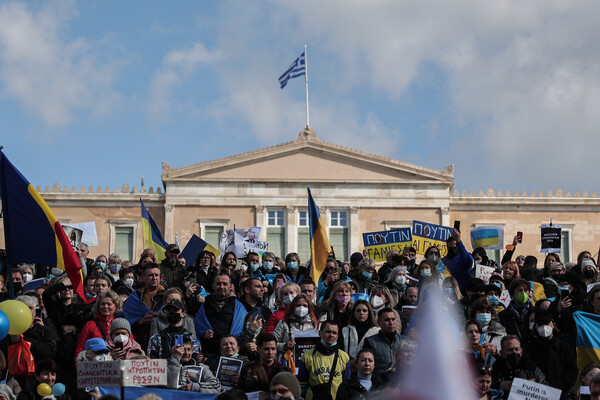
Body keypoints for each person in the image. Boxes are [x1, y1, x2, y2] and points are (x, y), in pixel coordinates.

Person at [524, 309, 577, 394]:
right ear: (535, 327)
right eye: (540, 324)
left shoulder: (565, 348)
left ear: (553, 325)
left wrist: (559, 388)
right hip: (537, 393)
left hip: (559, 393)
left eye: (547, 323)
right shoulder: (529, 349)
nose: (544, 327)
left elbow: (572, 371)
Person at [194, 273, 247, 356]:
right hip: (210, 352)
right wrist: (203, 333)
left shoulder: (238, 306)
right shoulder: (205, 304)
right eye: (218, 284)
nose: (222, 287)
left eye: (225, 284)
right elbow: (197, 326)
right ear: (213, 286)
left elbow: (244, 328)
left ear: (230, 286)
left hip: (232, 353)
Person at [298, 320, 351, 400]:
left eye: (334, 333)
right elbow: (302, 385)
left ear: (337, 336)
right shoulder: (307, 356)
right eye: (328, 332)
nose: (331, 335)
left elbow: (346, 384)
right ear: (320, 333)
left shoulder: (344, 357)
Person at [123, 263, 164, 352]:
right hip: (139, 343)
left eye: (156, 275)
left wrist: (159, 317)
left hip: (163, 343)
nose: (154, 278)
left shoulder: (168, 296)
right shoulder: (134, 298)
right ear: (143, 278)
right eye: (150, 275)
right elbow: (125, 323)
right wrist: (140, 321)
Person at [75, 291, 122, 358]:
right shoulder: (89, 325)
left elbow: (131, 344)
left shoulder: (121, 324)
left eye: (109, 304)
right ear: (98, 306)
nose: (105, 306)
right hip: (95, 366)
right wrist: (79, 367)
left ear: (116, 306)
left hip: (119, 366)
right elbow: (80, 348)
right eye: (102, 304)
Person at [362, 307, 406, 379]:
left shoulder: (405, 341)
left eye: (393, 319)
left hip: (401, 382)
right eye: (387, 320)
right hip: (379, 383)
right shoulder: (370, 341)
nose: (391, 323)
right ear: (379, 322)